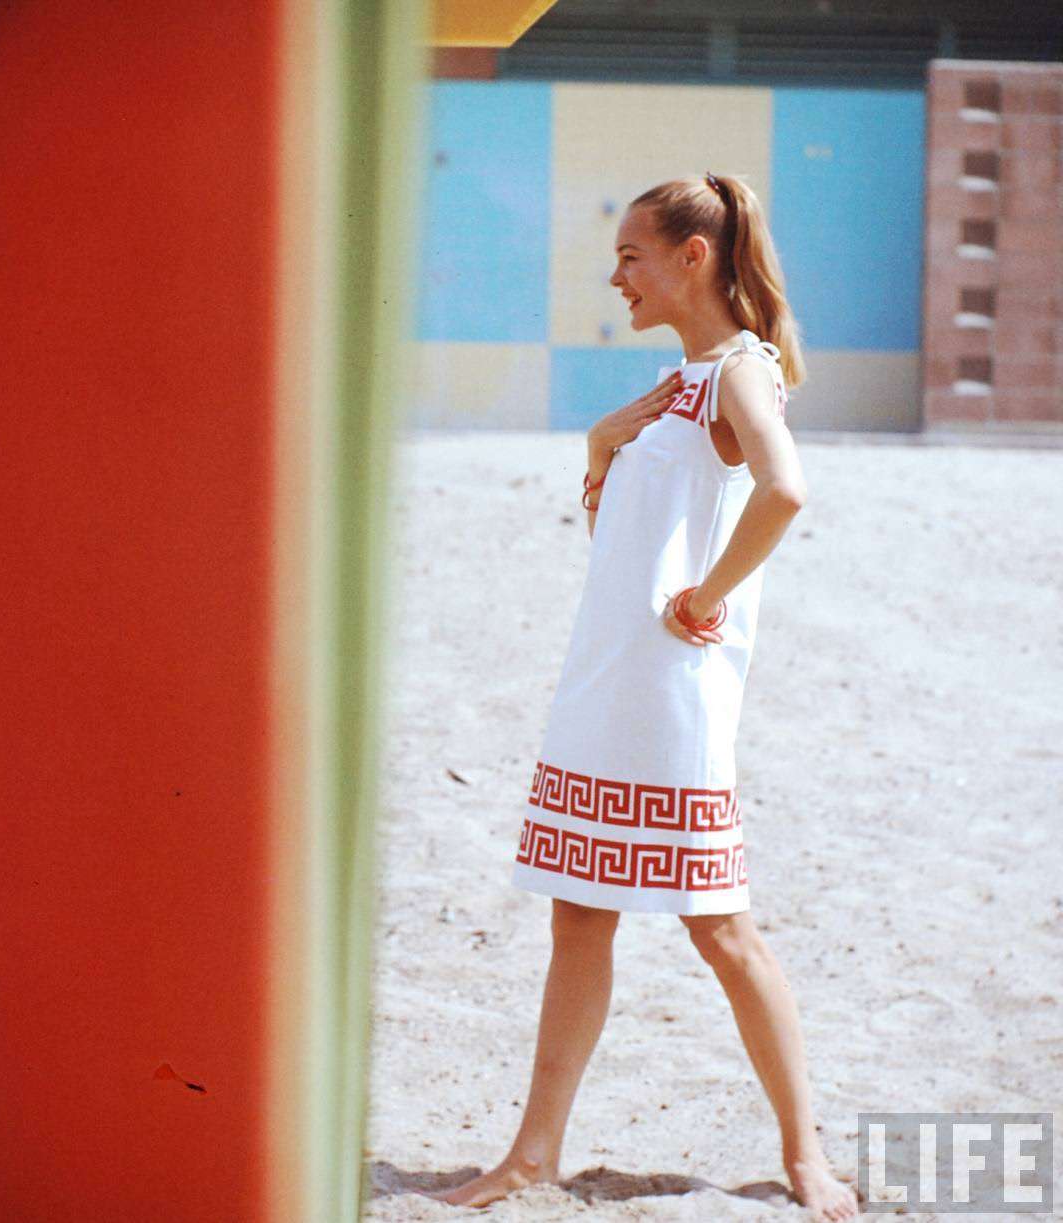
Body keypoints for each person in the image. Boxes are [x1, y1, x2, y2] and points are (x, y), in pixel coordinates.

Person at [425, 174, 860, 1220]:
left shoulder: (736, 372)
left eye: (630, 253)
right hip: (606, 684)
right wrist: (599, 446)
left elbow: (785, 486)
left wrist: (706, 599)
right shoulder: (679, 384)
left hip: (670, 693)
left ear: (691, 257)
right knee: (580, 912)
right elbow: (620, 554)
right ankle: (533, 1153)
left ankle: (802, 1154)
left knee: (717, 927)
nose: (614, 273)